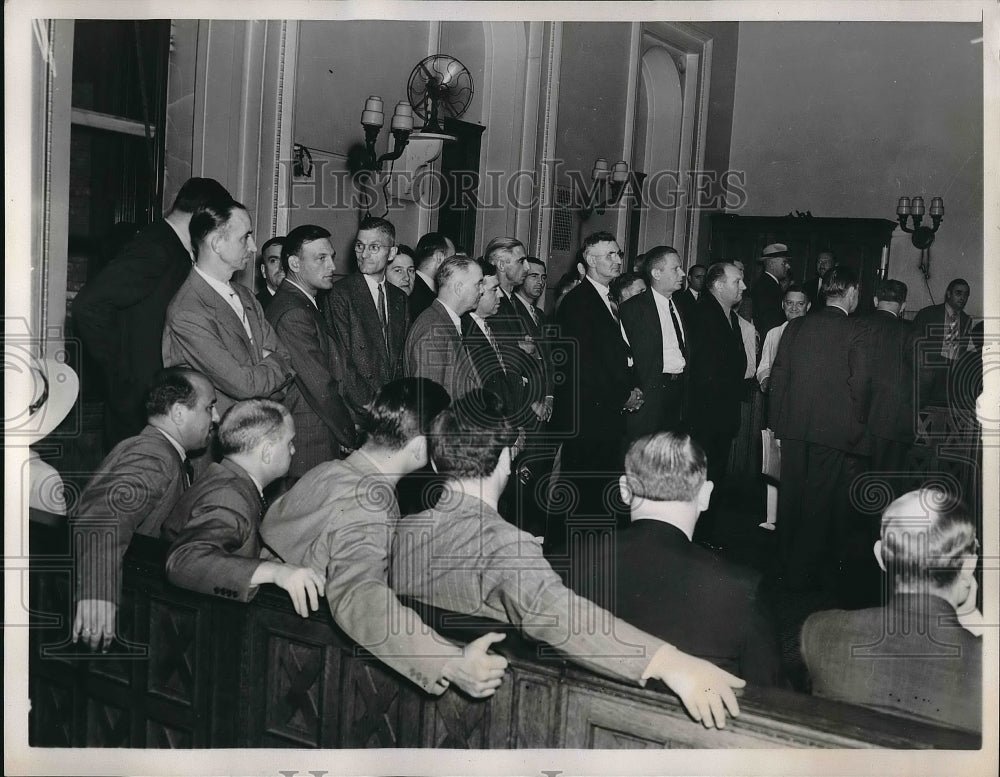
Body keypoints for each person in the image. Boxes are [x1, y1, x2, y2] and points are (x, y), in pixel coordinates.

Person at [392, 390, 746, 729]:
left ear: (436, 462)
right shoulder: (506, 549)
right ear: (506, 459)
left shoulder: (403, 533)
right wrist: (670, 662)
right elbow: (558, 617)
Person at [260, 378, 508, 698]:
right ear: (420, 448)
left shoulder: (327, 471)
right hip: (302, 662)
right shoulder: (372, 501)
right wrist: (448, 661)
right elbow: (358, 593)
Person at [592, 432, 783, 686]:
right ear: (705, 496)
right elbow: (770, 697)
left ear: (624, 490)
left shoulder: (563, 562)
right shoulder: (741, 590)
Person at [800, 488, 982, 732]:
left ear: (880, 557)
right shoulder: (986, 666)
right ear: (969, 565)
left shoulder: (819, 632)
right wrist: (972, 619)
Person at [72, 177, 233, 446]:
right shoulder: (156, 247)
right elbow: (88, 306)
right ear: (201, 214)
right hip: (138, 400)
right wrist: (123, 374)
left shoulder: (171, 246)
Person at [71, 367, 218, 651]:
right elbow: (105, 514)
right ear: (178, 413)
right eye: (209, 407)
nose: (216, 417)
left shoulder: (156, 448)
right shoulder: (154, 454)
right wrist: (98, 591)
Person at [164, 400, 324, 617]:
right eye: (289, 443)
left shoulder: (225, 476)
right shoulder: (229, 495)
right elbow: (183, 562)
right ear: (267, 452)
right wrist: (277, 572)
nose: (294, 450)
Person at [768, 266, 869, 593]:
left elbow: (778, 378)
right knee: (820, 500)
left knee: (791, 495)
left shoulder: (795, 326)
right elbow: (861, 385)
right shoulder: (856, 329)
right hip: (833, 431)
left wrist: (777, 426)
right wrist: (855, 429)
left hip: (794, 426)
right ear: (852, 292)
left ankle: (782, 562)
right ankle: (802, 572)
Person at [162, 199, 294, 417]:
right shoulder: (188, 310)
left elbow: (285, 356)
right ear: (217, 244)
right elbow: (244, 385)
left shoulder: (245, 296)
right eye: (245, 238)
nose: (253, 247)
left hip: (259, 424)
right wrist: (270, 363)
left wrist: (262, 367)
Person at [553, 231, 643, 532]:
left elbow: (619, 353)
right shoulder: (578, 302)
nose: (618, 260)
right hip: (588, 417)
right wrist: (622, 395)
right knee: (586, 496)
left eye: (618, 254)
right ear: (590, 260)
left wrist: (632, 386)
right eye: (610, 255)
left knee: (600, 492)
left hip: (603, 415)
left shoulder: (607, 298)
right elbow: (585, 367)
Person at [265, 225, 357, 478]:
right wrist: (348, 433)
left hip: (314, 429)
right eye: (321, 258)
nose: (332, 266)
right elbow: (320, 385)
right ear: (294, 263)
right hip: (309, 435)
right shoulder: (294, 311)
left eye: (332, 257)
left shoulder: (301, 302)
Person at [323, 216, 409, 426]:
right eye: (360, 246)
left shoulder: (400, 298)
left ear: (392, 252)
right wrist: (372, 410)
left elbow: (401, 360)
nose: (364, 254)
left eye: (374, 247)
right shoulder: (340, 294)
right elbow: (342, 363)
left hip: (393, 411)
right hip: (360, 413)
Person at [685, 262, 747, 543]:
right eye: (737, 282)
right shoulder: (703, 314)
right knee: (702, 478)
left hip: (720, 416)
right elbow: (703, 371)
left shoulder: (727, 315)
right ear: (719, 285)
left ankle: (704, 535)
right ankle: (696, 537)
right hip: (706, 418)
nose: (743, 287)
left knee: (713, 477)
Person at [755, 283, 810, 530]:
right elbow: (764, 365)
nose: (794, 308)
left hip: (803, 409)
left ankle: (796, 518)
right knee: (774, 461)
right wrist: (766, 380)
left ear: (808, 306)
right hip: (778, 405)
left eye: (800, 304)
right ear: (782, 305)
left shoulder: (814, 333)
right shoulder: (774, 333)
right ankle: (772, 517)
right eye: (790, 303)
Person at [619, 246, 689, 439]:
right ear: (656, 273)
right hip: (649, 396)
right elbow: (624, 358)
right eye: (676, 268)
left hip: (678, 394)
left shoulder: (682, 307)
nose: (682, 273)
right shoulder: (632, 309)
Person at [854, 279, 918, 479]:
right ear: (904, 306)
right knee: (886, 489)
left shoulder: (856, 325)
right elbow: (925, 378)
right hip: (895, 424)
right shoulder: (912, 332)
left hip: (855, 422)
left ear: (875, 301)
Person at [403, 255, 483, 399]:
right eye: (478, 284)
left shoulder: (445, 322)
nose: (482, 290)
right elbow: (427, 403)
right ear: (459, 288)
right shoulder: (433, 331)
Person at [462, 259, 521, 415]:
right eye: (494, 289)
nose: (500, 294)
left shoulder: (488, 326)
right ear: (478, 291)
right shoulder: (465, 332)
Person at [912, 278, 974, 407]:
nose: (963, 297)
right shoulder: (927, 314)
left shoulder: (966, 320)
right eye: (958, 293)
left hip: (952, 379)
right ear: (948, 293)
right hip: (928, 376)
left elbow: (963, 351)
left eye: (966, 294)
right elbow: (913, 346)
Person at [409, 231, 456, 321]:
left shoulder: (422, 287)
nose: (455, 265)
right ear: (439, 257)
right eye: (452, 258)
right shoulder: (413, 292)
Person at [750, 243, 791, 339]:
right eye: (784, 263)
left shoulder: (770, 284)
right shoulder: (766, 287)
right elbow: (768, 324)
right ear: (772, 264)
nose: (788, 266)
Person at [255, 236, 285, 311]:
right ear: (263, 270)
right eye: (274, 261)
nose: (281, 267)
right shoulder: (254, 307)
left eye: (286, 260)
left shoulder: (313, 301)